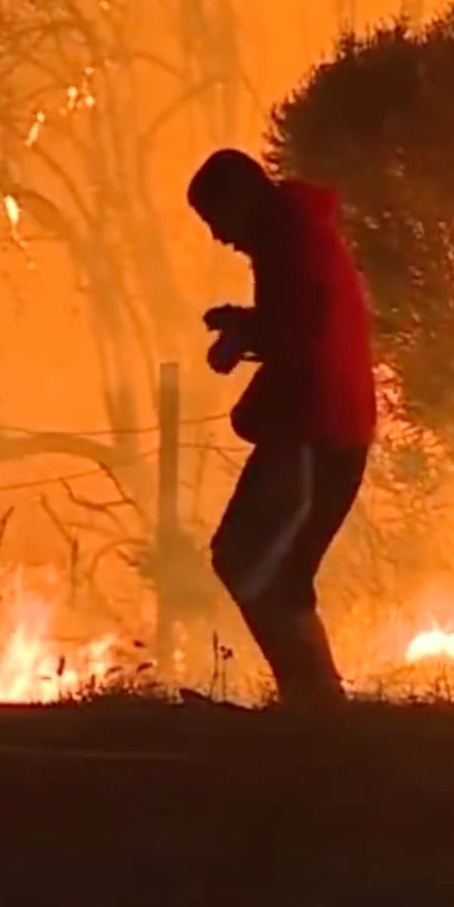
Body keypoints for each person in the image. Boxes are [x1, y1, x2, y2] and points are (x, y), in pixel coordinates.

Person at [187, 148, 376, 710]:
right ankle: (315, 700)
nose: (219, 237)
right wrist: (247, 325)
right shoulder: (295, 234)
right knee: (279, 569)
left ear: (241, 199)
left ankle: (312, 697)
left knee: (246, 555)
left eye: (216, 219)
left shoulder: (289, 241)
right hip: (327, 426)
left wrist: (246, 336)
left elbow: (302, 331)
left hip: (316, 427)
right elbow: (301, 320)